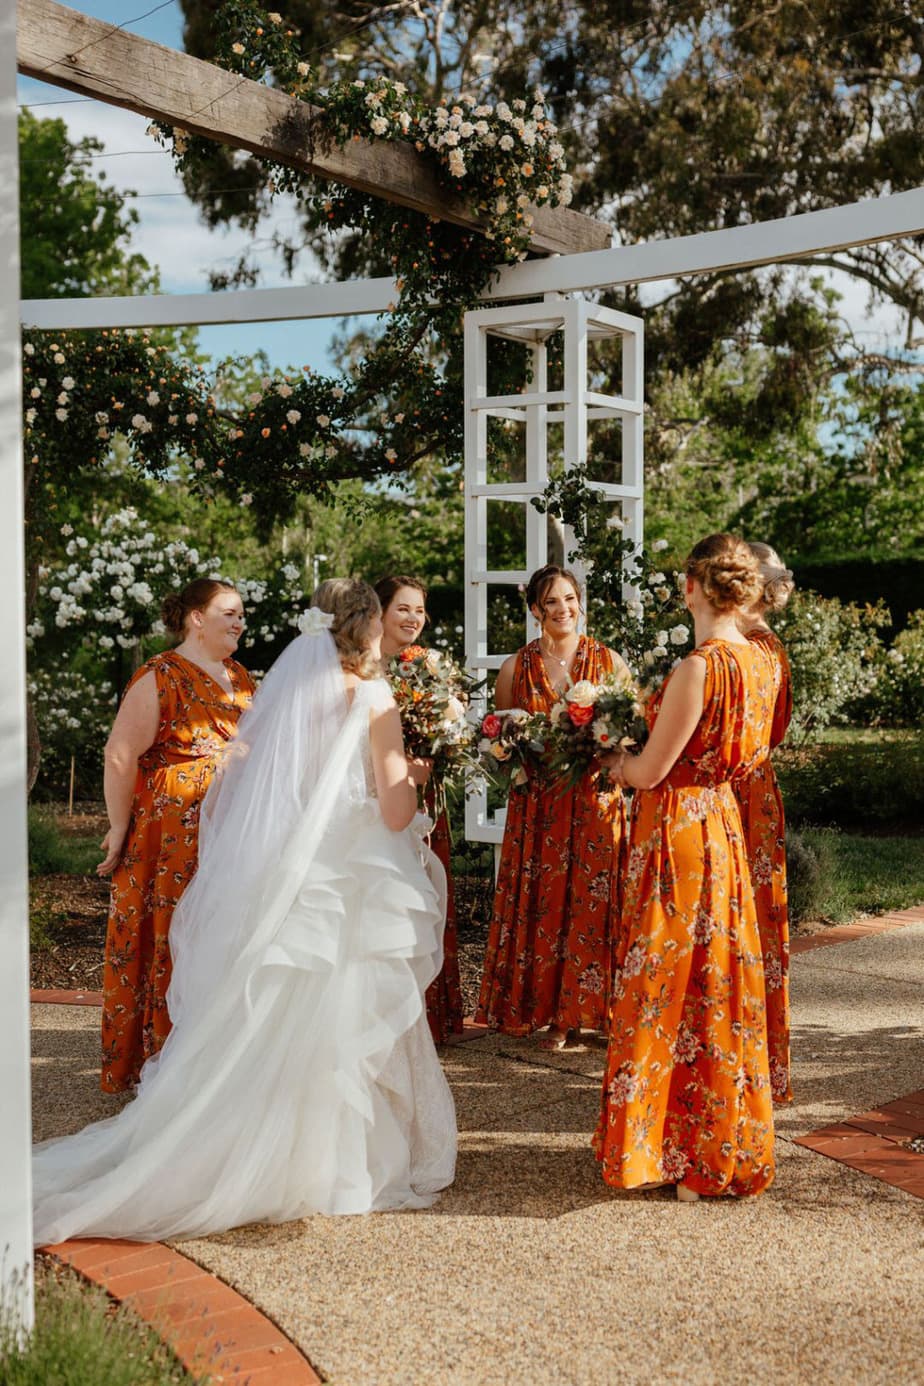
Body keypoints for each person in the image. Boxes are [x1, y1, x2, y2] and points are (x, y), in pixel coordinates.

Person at [32, 579, 457, 1244]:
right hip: (350, 871)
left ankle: (240, 1141)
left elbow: (258, 784)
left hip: (290, 871)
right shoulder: (374, 696)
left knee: (278, 1006)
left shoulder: (288, 690)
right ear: (369, 628)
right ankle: (328, 1159)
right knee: (337, 1011)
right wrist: (418, 774)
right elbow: (397, 809)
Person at [593, 534, 777, 1200]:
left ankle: (665, 1153)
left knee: (665, 983)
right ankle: (718, 1150)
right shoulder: (762, 662)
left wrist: (611, 760)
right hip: (724, 825)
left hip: (680, 833)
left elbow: (650, 771)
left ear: (694, 586)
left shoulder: (699, 667)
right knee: (719, 985)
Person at [98, 578, 255, 1092]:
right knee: (172, 935)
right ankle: (161, 1063)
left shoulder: (240, 676)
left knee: (219, 937)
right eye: (229, 613)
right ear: (196, 618)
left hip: (231, 831)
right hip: (172, 833)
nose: (239, 622)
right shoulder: (159, 675)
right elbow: (120, 754)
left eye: (241, 615)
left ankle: (214, 1063)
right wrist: (119, 826)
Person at [475, 565, 629, 1049]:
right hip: (539, 806)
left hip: (595, 800)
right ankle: (555, 1015)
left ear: (580, 601)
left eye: (569, 599)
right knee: (546, 906)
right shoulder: (515, 668)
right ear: (535, 611)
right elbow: (499, 735)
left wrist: (603, 743)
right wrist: (514, 752)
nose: (563, 609)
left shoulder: (609, 663)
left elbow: (633, 733)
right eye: (551, 602)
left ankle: (603, 1012)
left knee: (597, 904)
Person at [375, 574, 465, 1044]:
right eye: (403, 609)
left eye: (419, 611)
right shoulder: (362, 669)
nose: (413, 619)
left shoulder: (430, 666)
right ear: (381, 612)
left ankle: (434, 1016)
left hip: (422, 794)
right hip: (378, 796)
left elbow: (449, 728)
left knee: (428, 896)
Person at [735, 542, 796, 1104]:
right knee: (758, 926)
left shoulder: (735, 651)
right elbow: (775, 731)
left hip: (729, 792)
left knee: (736, 926)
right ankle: (762, 1068)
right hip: (759, 789)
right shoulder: (771, 647)